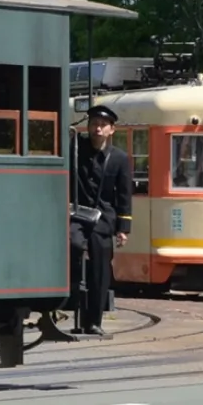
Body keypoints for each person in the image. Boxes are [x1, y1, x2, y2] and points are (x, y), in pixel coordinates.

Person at [70, 103, 133, 336]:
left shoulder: (119, 158)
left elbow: (124, 194)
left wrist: (123, 228)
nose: (98, 129)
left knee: (100, 269)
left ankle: (93, 321)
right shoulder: (75, 149)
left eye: (103, 125)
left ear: (111, 130)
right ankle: (70, 300)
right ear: (88, 127)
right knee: (73, 245)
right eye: (94, 124)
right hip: (75, 214)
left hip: (103, 219)